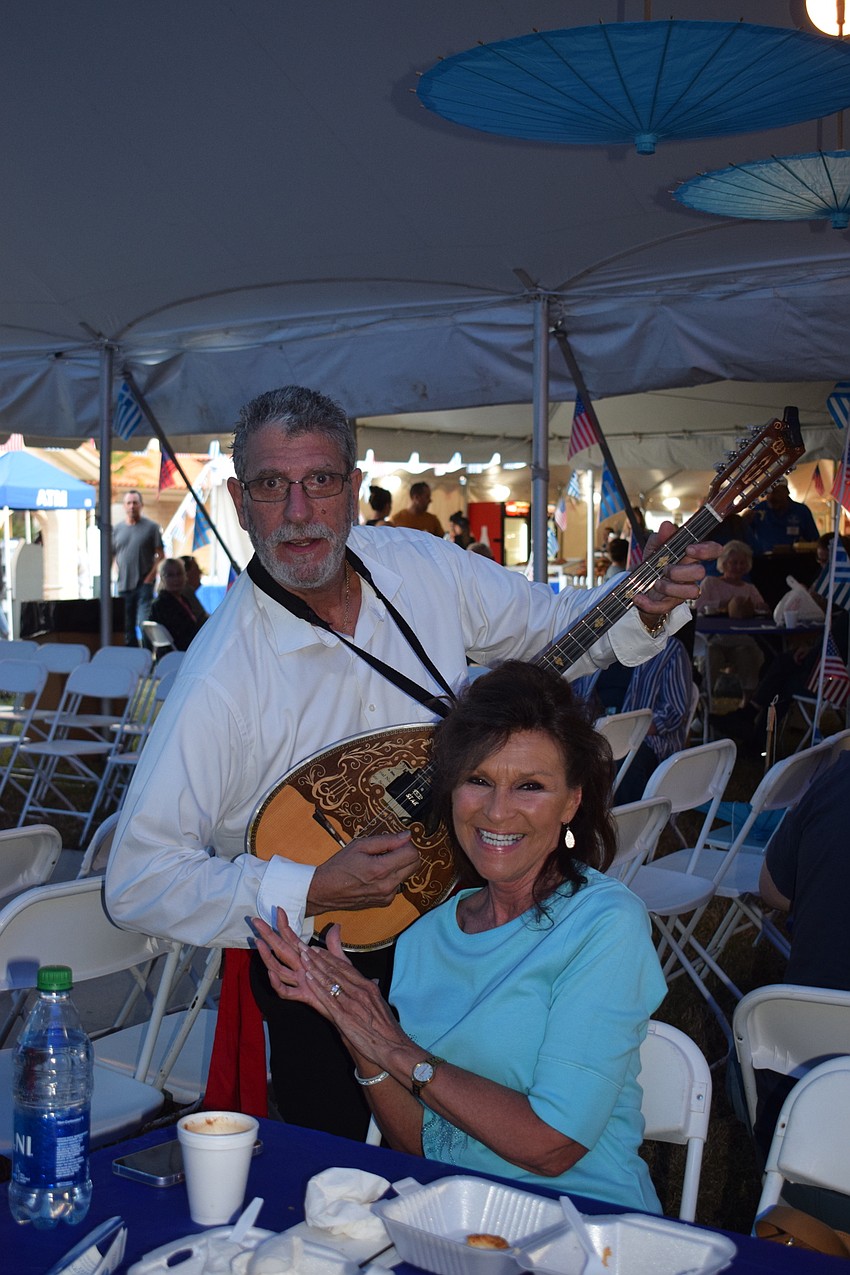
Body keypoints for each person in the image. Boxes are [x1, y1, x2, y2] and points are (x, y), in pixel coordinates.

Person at [105, 384, 715, 1139]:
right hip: (329, 965)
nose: (299, 511)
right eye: (272, 485)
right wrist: (314, 883)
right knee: (351, 1172)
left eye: (321, 480)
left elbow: (558, 629)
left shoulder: (419, 566)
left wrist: (642, 605)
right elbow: (136, 881)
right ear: (238, 499)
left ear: (354, 488)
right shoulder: (221, 676)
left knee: (488, 1136)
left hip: (465, 922)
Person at [253, 662, 666, 1212]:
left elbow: (552, 1147)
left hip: (587, 1224)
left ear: (571, 801)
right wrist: (356, 1029)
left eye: (530, 787)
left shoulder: (604, 923)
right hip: (453, 1221)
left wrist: (395, 1047)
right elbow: (420, 1145)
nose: (497, 811)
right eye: (478, 780)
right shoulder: (425, 935)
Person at [573, 637, 695, 803]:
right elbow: (576, 700)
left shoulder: (670, 649)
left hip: (645, 739)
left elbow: (674, 712)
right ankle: (576, 823)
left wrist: (630, 729)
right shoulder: (596, 647)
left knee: (623, 761)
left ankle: (630, 824)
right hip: (595, 733)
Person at [696, 540, 770, 701]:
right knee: (710, 658)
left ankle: (748, 704)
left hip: (741, 640)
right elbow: (699, 607)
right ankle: (704, 704)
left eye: (742, 563)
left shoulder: (749, 588)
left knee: (748, 654)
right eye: (734, 562)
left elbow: (761, 608)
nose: (738, 567)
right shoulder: (710, 583)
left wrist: (761, 607)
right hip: (713, 639)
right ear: (724, 563)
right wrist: (725, 604)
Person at [112, 490, 164, 646]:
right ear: (124, 506)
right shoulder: (117, 530)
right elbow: (112, 554)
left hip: (143, 584)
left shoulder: (151, 528)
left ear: (141, 505)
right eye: (128, 503)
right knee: (126, 627)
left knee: (144, 623)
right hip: (123, 585)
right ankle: (132, 658)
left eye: (135, 503)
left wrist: (150, 577)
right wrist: (114, 572)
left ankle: (148, 656)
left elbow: (161, 555)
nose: (132, 506)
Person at [744, 480, 818, 555]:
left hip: (793, 561)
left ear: (786, 492)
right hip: (764, 561)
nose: (771, 496)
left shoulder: (801, 511)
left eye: (776, 492)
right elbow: (744, 537)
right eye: (768, 492)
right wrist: (744, 521)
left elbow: (814, 541)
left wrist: (793, 548)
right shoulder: (759, 509)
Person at [150, 558, 207, 651]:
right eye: (170, 575)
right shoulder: (162, 605)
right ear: (162, 578)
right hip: (182, 653)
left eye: (179, 574)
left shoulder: (183, 599)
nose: (176, 579)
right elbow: (182, 635)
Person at [180, 554, 210, 624]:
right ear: (186, 574)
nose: (200, 572)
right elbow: (205, 621)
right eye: (196, 569)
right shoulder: (186, 592)